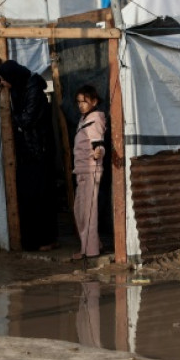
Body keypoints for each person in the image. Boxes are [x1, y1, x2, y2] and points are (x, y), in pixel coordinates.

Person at [0, 59, 58, 252]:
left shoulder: (33, 92)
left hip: (38, 152)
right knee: (28, 196)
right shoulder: (21, 89)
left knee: (39, 196)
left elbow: (26, 119)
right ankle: (32, 240)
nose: (4, 84)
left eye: (4, 80)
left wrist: (9, 116)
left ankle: (45, 240)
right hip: (28, 152)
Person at [72, 85, 107, 260]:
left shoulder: (96, 119)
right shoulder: (84, 119)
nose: (81, 105)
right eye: (79, 102)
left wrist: (99, 151)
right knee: (80, 211)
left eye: (84, 102)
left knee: (88, 213)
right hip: (82, 171)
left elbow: (98, 141)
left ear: (94, 101)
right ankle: (93, 244)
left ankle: (90, 251)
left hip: (90, 169)